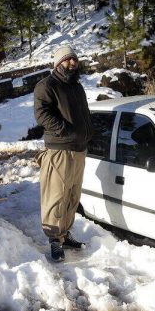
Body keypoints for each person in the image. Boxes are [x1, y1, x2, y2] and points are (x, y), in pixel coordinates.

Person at [34, 44, 93, 261]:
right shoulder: (47, 85)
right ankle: (53, 239)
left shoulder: (76, 86)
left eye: (74, 59)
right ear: (58, 63)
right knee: (56, 196)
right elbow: (42, 114)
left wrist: (88, 133)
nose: (73, 63)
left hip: (79, 150)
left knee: (72, 195)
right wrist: (64, 130)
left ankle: (64, 234)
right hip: (59, 150)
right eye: (68, 60)